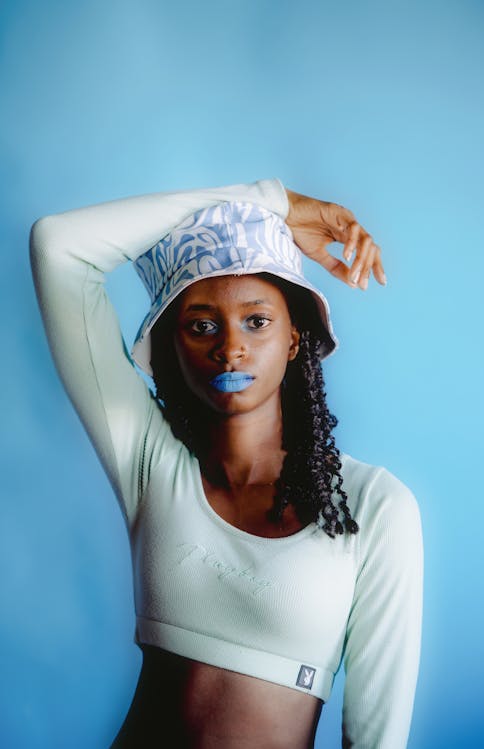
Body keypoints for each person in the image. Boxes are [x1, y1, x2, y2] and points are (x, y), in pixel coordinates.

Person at [29, 179, 423, 749]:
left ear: (294, 339)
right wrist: (275, 201)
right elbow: (57, 244)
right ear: (174, 344)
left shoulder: (373, 506)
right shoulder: (151, 463)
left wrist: (272, 208)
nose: (229, 347)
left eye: (257, 321)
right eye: (202, 325)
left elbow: (378, 738)